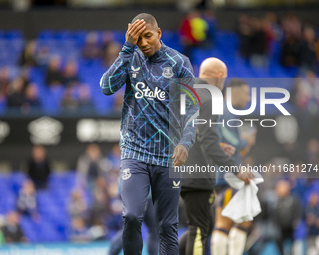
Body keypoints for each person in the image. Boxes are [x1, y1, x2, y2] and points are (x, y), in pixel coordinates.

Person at [100, 13, 198, 255]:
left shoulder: (179, 63)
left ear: (159, 33)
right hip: (135, 153)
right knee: (132, 216)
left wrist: (186, 142)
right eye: (138, 37)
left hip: (168, 156)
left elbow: (193, 109)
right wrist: (126, 47)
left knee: (167, 226)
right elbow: (106, 87)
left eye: (148, 36)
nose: (143, 43)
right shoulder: (130, 57)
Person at [179, 58, 253, 255]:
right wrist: (236, 169)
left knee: (205, 224)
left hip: (179, 170)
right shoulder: (210, 97)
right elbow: (209, 142)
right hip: (198, 174)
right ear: (219, 77)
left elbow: (189, 133)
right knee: (200, 228)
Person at [211, 78, 257, 255]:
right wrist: (245, 139)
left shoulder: (222, 111)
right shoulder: (225, 111)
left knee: (228, 222)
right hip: (228, 177)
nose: (248, 98)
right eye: (246, 93)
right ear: (235, 92)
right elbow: (227, 141)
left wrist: (243, 146)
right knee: (236, 221)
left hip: (223, 175)